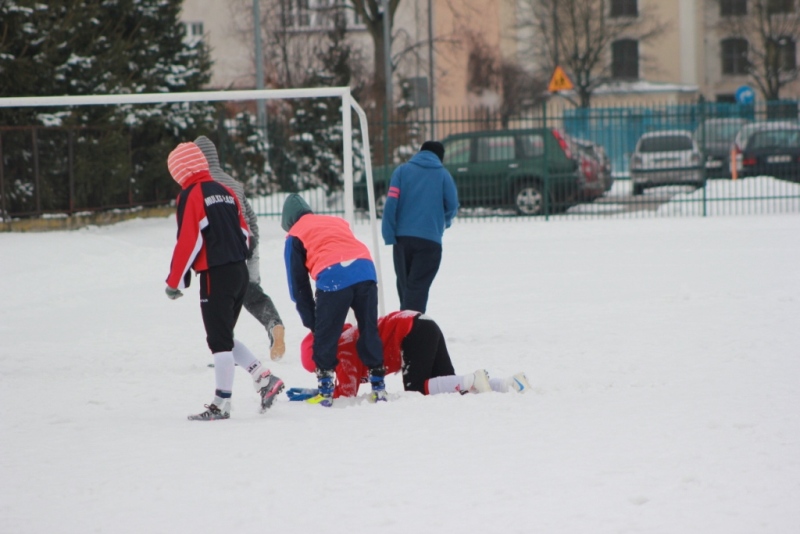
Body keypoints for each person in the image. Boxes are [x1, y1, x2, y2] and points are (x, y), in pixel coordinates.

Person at [164, 141, 284, 421]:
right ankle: (264, 378)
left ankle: (221, 404)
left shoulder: (191, 195)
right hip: (238, 272)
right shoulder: (226, 191)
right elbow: (245, 230)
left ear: (179, 172)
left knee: (218, 341)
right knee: (224, 337)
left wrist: (176, 281)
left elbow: (188, 241)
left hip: (215, 275)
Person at [281, 193, 385, 407]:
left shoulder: (295, 234)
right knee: (369, 329)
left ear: (288, 222)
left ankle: (325, 391)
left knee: (326, 336)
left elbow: (298, 287)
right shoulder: (335, 221)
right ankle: (378, 387)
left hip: (333, 274)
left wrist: (314, 324)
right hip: (365, 269)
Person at [291, 310, 531, 399]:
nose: (324, 372)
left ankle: (472, 378)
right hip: (423, 323)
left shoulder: (342, 353)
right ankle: (508, 384)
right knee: (447, 387)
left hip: (410, 332)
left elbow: (346, 392)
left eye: (318, 368)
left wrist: (319, 395)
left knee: (418, 388)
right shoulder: (346, 336)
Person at [194, 135, 286, 361]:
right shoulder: (232, 182)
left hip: (224, 250)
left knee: (221, 298)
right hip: (246, 242)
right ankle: (273, 324)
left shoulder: (202, 186)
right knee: (249, 290)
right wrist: (253, 249)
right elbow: (251, 218)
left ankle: (225, 350)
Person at [381, 140, 459, 314]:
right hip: (430, 242)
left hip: (402, 240)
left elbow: (391, 203)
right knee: (418, 288)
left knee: (405, 286)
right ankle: (411, 330)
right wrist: (442, 223)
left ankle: (405, 326)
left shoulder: (401, 171)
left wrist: (389, 233)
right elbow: (452, 206)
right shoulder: (443, 175)